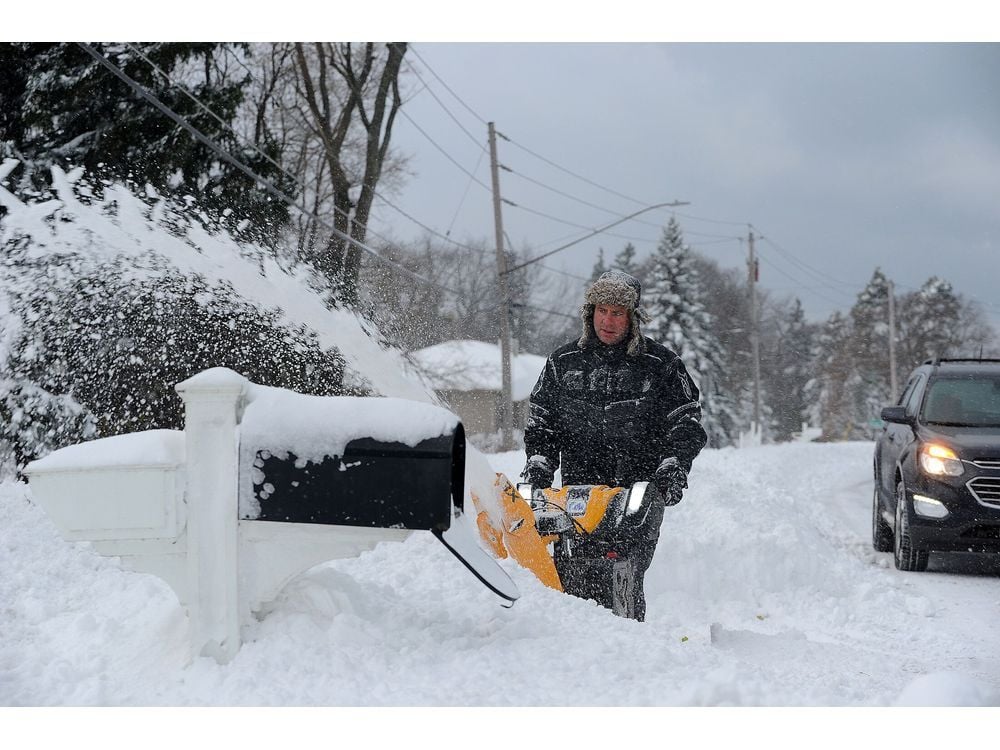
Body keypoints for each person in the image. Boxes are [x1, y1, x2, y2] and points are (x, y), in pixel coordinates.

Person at [521, 269, 707, 620]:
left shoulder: (661, 366)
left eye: (617, 313)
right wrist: (539, 463)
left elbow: (686, 423)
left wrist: (673, 465)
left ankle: (628, 640)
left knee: (622, 570)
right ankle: (575, 643)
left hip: (636, 492)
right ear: (589, 313)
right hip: (577, 495)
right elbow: (542, 421)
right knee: (570, 571)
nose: (608, 320)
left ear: (632, 318)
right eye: (602, 310)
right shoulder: (563, 364)